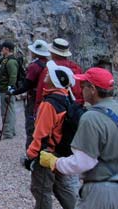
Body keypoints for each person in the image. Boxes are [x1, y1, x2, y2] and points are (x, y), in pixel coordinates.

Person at [39, 67, 117, 209]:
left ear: (92, 89)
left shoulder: (91, 118)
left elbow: (83, 163)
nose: (81, 89)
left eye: (83, 85)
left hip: (100, 192)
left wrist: (54, 162)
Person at [26, 61, 79, 209]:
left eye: (50, 74)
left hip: (47, 153)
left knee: (41, 189)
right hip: (61, 151)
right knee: (61, 187)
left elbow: (41, 134)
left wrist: (31, 155)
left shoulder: (49, 104)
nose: (47, 74)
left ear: (55, 81)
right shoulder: (67, 98)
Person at [8, 39, 50, 149]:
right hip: (46, 98)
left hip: (33, 98)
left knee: (31, 125)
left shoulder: (34, 66)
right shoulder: (47, 64)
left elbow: (26, 86)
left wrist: (13, 92)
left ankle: (30, 152)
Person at [35, 38, 83, 113]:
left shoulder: (50, 69)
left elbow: (42, 90)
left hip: (53, 109)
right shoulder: (76, 69)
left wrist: (37, 109)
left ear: (53, 53)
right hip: (75, 109)